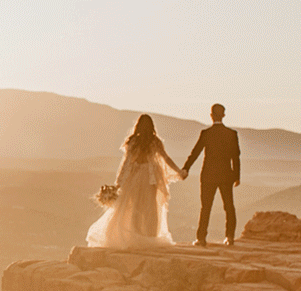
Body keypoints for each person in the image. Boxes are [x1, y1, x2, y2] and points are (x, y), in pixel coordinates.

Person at [85, 114, 187, 250]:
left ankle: (136, 236)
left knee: (134, 208)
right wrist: (179, 171)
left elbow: (126, 163)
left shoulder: (133, 141)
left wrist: (119, 182)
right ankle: (150, 237)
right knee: (151, 208)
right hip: (150, 179)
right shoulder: (155, 141)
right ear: (152, 126)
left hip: (135, 177)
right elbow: (166, 158)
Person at [182, 103, 241, 246]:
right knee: (229, 206)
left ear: (211, 115)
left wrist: (186, 168)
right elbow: (235, 156)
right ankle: (230, 237)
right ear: (224, 115)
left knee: (206, 207)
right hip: (226, 175)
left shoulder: (206, 134)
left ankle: (201, 238)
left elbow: (195, 153)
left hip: (208, 175)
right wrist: (237, 176)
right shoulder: (231, 134)